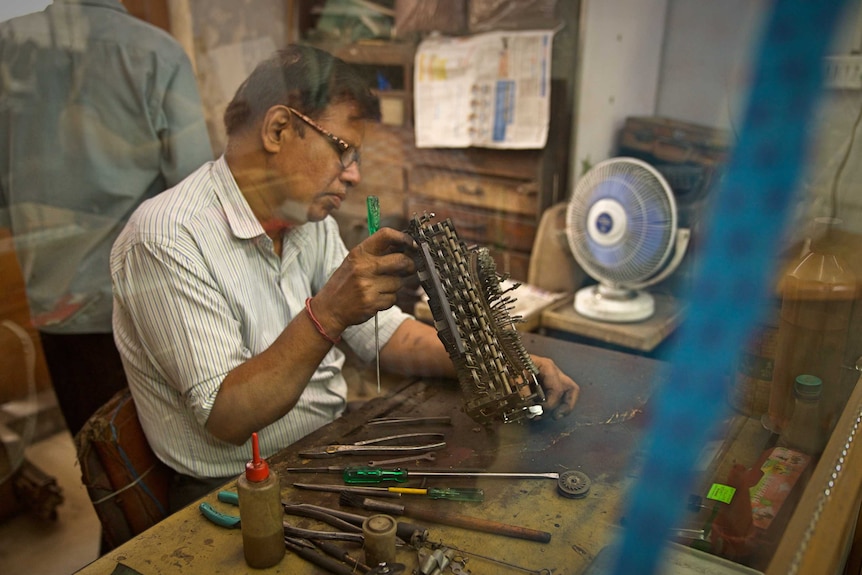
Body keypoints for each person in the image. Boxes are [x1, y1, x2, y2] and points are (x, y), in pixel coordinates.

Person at [110, 44, 580, 509]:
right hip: (233, 488)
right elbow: (229, 417)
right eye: (344, 152)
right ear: (278, 129)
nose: (354, 176)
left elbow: (378, 333)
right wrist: (328, 312)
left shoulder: (305, 222)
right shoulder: (166, 239)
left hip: (325, 443)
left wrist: (491, 359)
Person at [0, 0, 213, 436]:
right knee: (176, 467)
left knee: (106, 469)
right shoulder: (156, 53)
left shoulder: (9, 45)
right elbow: (194, 203)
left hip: (57, 300)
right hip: (148, 303)